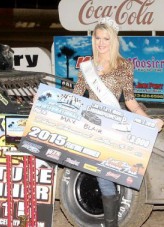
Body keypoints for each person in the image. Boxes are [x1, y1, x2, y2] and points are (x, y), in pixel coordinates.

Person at [73, 17, 163, 227]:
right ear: (93, 39)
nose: (101, 43)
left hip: (113, 128)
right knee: (103, 179)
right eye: (98, 38)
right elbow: (75, 97)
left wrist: (149, 122)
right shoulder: (86, 66)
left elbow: (130, 101)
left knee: (110, 175)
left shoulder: (124, 66)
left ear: (113, 41)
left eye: (106, 38)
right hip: (94, 128)